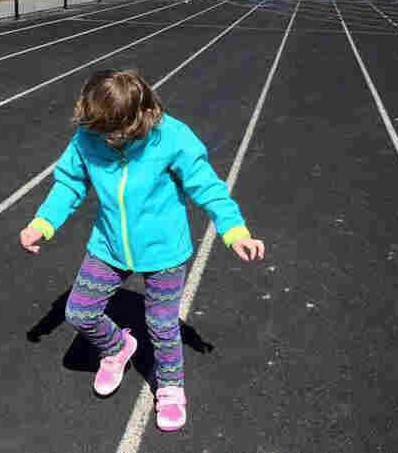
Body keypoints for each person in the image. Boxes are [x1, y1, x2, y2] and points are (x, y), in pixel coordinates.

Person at [20, 70, 265, 432]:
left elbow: (208, 187)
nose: (103, 139)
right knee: (79, 312)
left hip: (164, 251)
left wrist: (235, 231)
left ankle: (170, 387)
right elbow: (69, 183)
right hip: (108, 245)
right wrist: (43, 223)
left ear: (138, 116)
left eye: (111, 132)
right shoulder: (89, 136)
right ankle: (117, 348)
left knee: (162, 325)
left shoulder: (171, 137)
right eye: (97, 131)